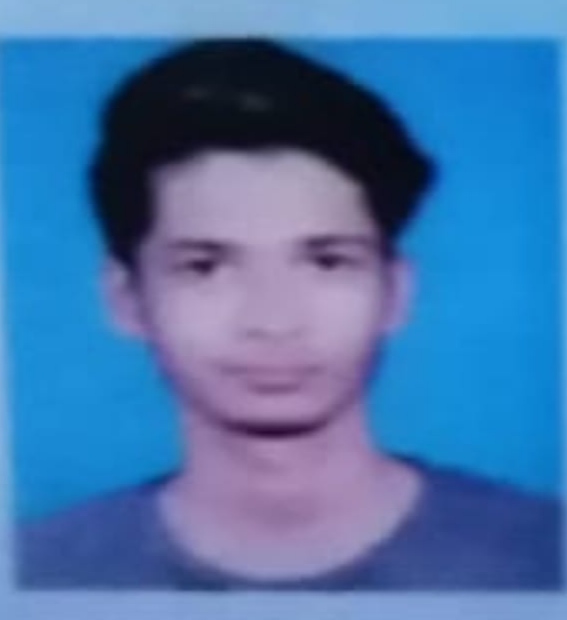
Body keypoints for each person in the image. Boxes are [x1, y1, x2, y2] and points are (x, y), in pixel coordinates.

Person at [16, 38, 561, 590]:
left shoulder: (540, 556)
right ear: (126, 299)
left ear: (396, 291)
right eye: (205, 267)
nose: (274, 322)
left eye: (328, 261)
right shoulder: (40, 573)